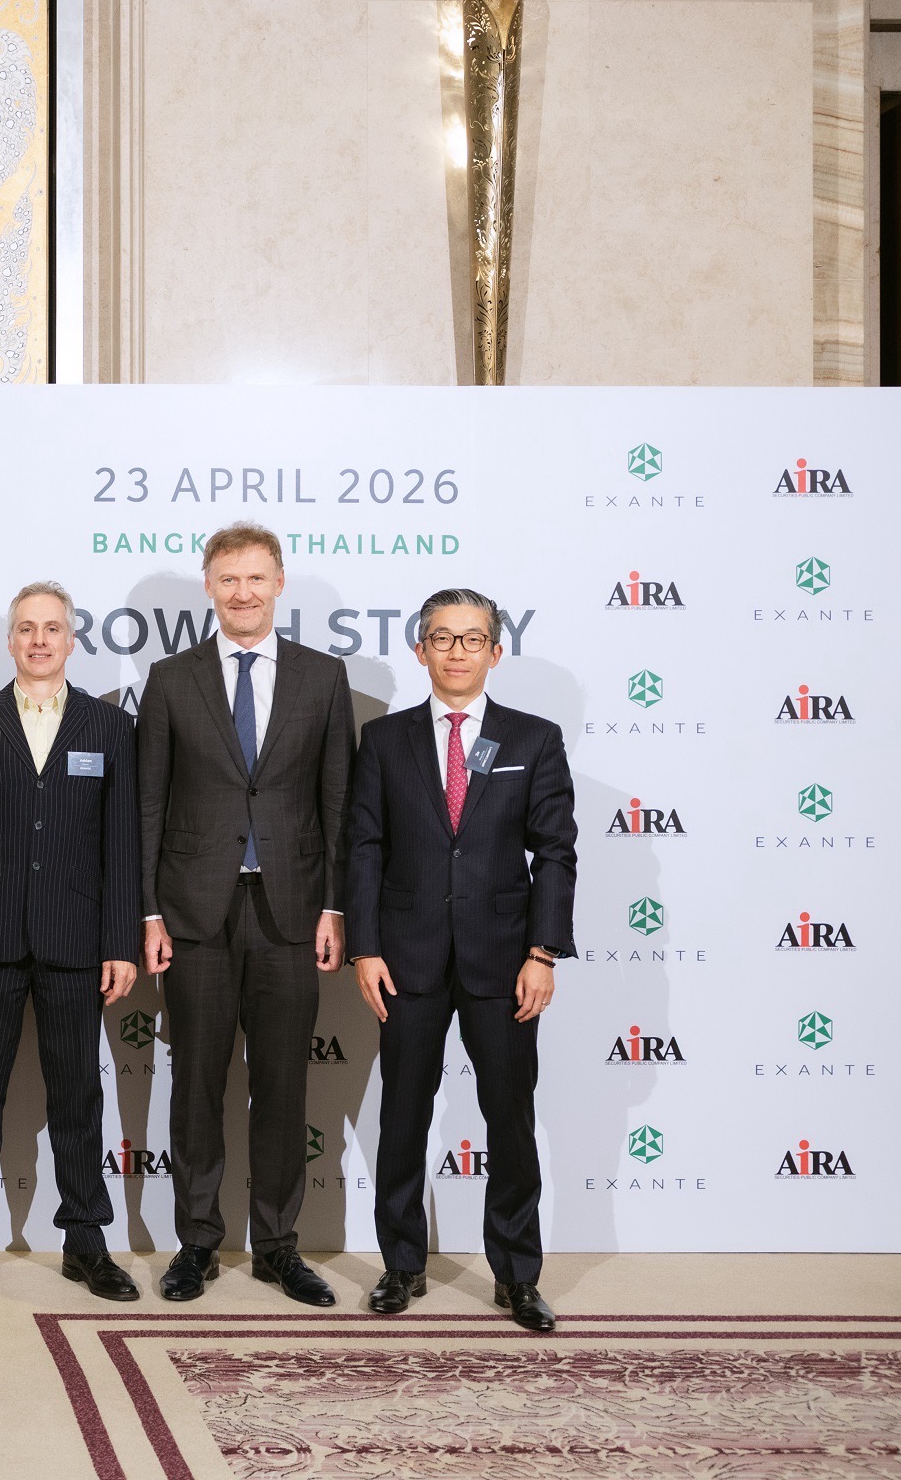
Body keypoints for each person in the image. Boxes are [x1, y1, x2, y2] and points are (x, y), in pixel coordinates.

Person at [345, 588, 576, 1333]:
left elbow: (556, 852)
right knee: (403, 1116)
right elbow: (366, 848)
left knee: (509, 1118)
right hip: (405, 959)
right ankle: (401, 1265)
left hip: (503, 960)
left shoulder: (533, 739)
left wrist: (543, 952)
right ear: (420, 650)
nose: (455, 651)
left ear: (494, 650)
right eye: (441, 638)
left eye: (471, 639)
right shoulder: (384, 741)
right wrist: (367, 947)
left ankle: (517, 1274)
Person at [136, 524, 354, 1307]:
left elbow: (338, 803)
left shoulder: (324, 678)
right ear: (208, 586)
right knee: (195, 1082)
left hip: (291, 910)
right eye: (228, 578)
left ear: (280, 582)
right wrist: (149, 913)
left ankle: (278, 1245)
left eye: (256, 577)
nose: (243, 592)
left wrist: (335, 905)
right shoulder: (169, 678)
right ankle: (196, 1242)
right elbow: (148, 805)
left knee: (284, 1085)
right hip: (194, 913)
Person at [0, 583, 141, 1302]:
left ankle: (86, 1240)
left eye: (52, 628)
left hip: (78, 939)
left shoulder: (109, 727)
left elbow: (122, 844)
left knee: (77, 1094)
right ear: (9, 642)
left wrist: (121, 941)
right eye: (25, 629)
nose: (39, 639)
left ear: (72, 639)